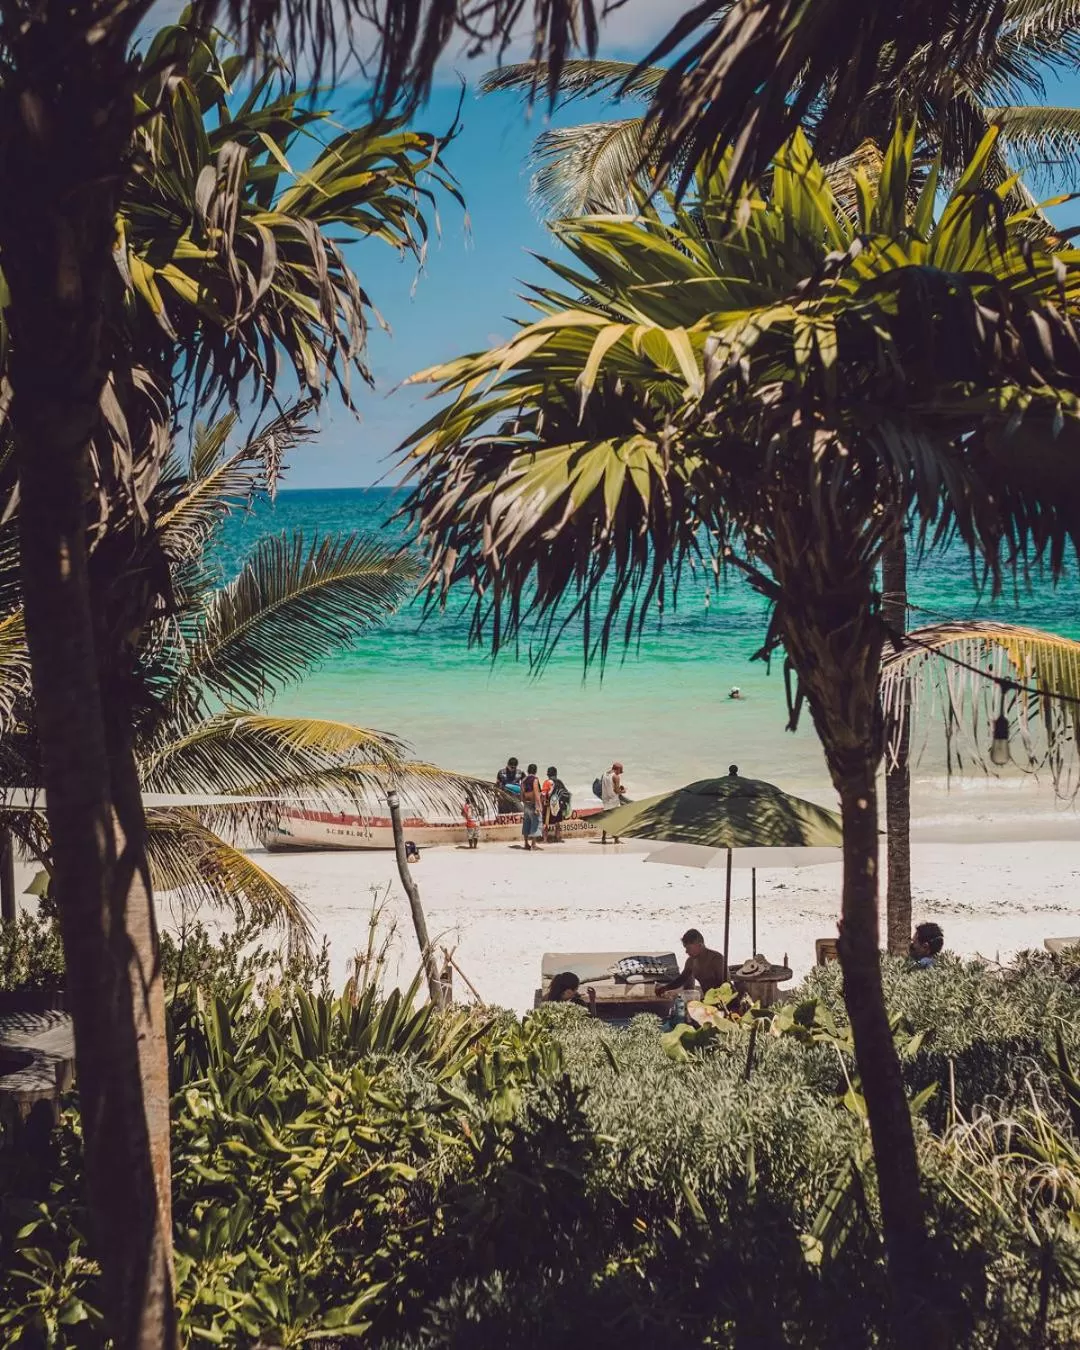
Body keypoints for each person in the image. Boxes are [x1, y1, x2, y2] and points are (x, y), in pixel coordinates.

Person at [656, 929, 728, 997]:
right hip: (709, 999)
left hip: (727, 1000)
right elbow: (681, 979)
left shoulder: (716, 959)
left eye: (689, 948)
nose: (686, 951)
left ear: (700, 945)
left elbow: (725, 985)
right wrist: (665, 988)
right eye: (685, 948)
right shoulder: (690, 962)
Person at [599, 760, 627, 845]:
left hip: (605, 800)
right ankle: (616, 839)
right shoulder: (616, 777)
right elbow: (616, 790)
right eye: (620, 771)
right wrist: (623, 791)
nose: (620, 773)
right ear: (617, 769)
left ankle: (603, 838)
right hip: (613, 801)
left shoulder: (604, 774)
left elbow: (605, 785)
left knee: (607, 819)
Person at [542, 766, 571, 842]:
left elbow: (544, 794)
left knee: (546, 824)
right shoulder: (559, 782)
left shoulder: (547, 782)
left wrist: (543, 802)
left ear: (548, 774)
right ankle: (558, 838)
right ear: (556, 773)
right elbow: (566, 792)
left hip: (548, 806)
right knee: (557, 823)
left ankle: (545, 840)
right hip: (557, 806)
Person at [520, 762, 543, 851]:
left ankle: (526, 843)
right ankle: (533, 844)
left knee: (526, 823)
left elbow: (521, 793)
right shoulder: (535, 779)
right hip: (533, 803)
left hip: (526, 803)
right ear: (535, 771)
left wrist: (523, 801)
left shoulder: (524, 780)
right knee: (536, 823)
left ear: (528, 770)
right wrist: (539, 806)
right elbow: (536, 793)